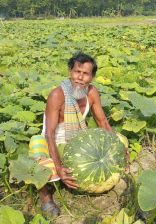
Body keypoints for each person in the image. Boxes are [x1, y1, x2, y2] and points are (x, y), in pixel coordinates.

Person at [31, 52, 113, 217]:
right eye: (77, 72)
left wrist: (117, 145)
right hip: (54, 140)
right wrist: (59, 167)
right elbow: (49, 134)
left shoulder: (92, 93)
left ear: (92, 77)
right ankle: (45, 197)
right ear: (70, 72)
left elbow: (102, 122)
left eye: (85, 74)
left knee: (118, 142)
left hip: (77, 136)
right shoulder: (57, 95)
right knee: (37, 150)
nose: (80, 78)